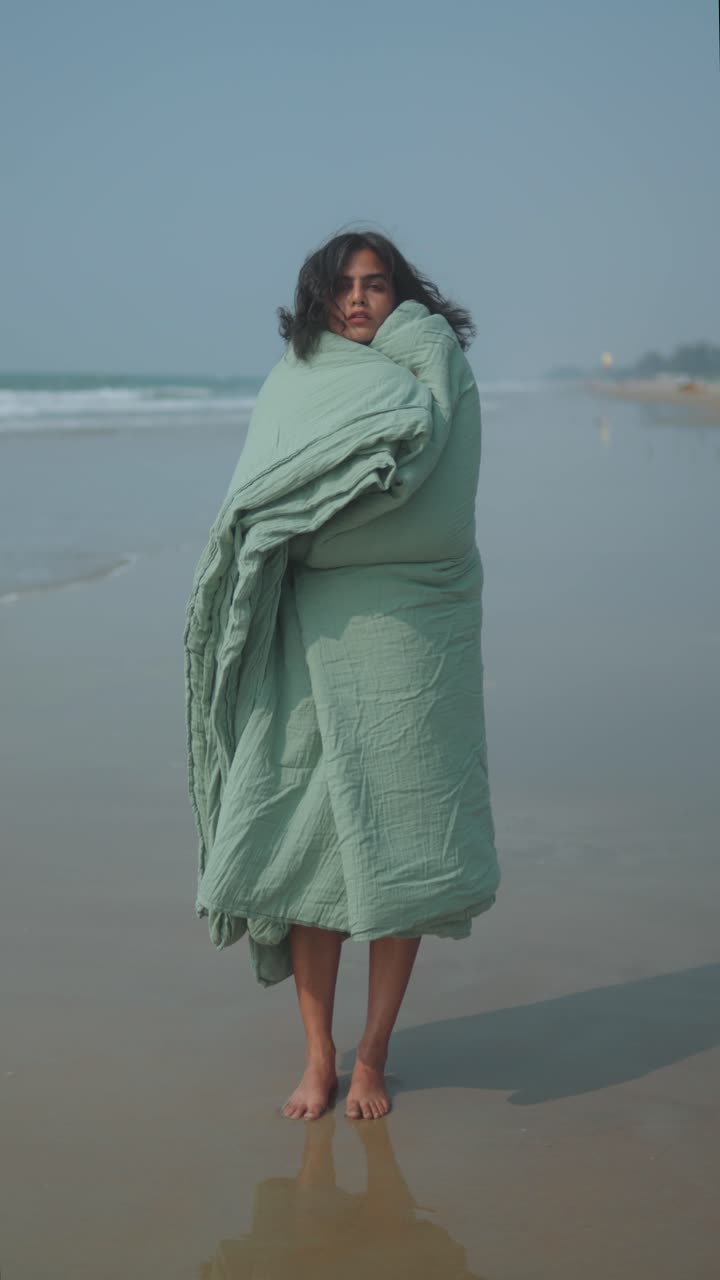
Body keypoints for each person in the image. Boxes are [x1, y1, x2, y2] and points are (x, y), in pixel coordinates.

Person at [184, 228, 500, 1123]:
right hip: (310, 634)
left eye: (377, 283)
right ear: (318, 298)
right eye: (343, 285)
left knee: (403, 835)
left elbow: (439, 501)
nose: (359, 298)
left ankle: (373, 1056)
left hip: (409, 629)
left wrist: (331, 524)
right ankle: (319, 1055)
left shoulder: (432, 373)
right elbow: (266, 493)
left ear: (400, 293)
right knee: (308, 852)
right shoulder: (295, 380)